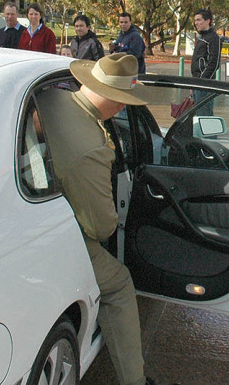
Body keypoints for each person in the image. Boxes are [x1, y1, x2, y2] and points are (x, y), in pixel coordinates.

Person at [35, 53, 163, 385]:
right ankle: (134, 380)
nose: (124, 108)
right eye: (123, 101)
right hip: (50, 237)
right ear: (116, 102)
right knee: (119, 283)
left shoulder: (51, 96)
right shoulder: (91, 148)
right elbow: (101, 226)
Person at [190, 8, 220, 116]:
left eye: (199, 20)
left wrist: (203, 81)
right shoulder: (203, 37)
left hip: (204, 85)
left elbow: (214, 63)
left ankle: (209, 133)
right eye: (195, 20)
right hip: (197, 83)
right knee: (199, 115)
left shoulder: (213, 38)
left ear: (207, 21)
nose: (196, 23)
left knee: (204, 115)